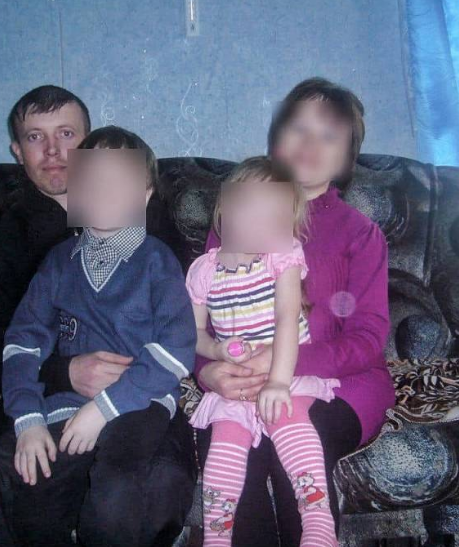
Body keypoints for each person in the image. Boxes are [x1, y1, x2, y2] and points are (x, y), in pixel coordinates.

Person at [0, 98, 197, 546]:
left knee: (131, 488)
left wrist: (105, 405)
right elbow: (12, 345)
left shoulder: (154, 248)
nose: (52, 150)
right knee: (14, 481)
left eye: (65, 134)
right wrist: (36, 408)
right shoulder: (34, 248)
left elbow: (180, 337)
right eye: (35, 137)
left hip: (139, 394)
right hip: (55, 394)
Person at [195, 78, 396, 546]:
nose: (310, 143)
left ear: (347, 157)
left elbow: (368, 341)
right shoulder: (234, 221)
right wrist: (208, 372)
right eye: (299, 128)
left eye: (329, 135)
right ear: (276, 138)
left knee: (296, 434)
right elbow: (202, 317)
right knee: (225, 447)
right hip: (242, 377)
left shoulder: (360, 233)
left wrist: (283, 365)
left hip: (343, 383)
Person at [186, 156, 340, 547]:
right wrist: (217, 349)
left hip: (284, 367)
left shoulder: (282, 257)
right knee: (224, 444)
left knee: (289, 421)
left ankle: (318, 523)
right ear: (225, 207)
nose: (261, 225)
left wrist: (278, 382)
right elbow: (193, 333)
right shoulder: (203, 271)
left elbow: (289, 319)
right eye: (252, 209)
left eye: (275, 218)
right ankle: (217, 538)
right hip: (237, 379)